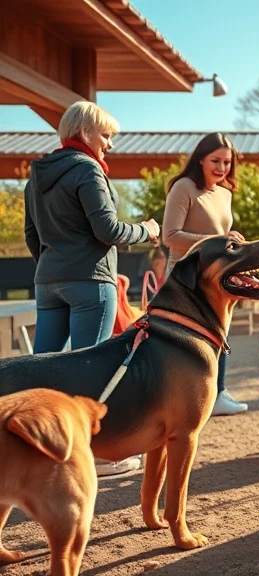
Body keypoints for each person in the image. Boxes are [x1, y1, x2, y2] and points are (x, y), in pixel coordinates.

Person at [23, 100, 161, 476]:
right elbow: (109, 231)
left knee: (42, 368)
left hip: (49, 283)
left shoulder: (37, 174)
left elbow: (31, 235)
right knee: (92, 369)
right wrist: (147, 230)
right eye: (106, 135)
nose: (110, 145)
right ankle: (96, 456)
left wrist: (53, 267)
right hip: (90, 282)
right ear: (85, 133)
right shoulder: (88, 171)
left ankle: (31, 447)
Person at [161, 132, 247, 416]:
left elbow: (220, 239)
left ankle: (218, 392)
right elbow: (170, 237)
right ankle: (180, 396)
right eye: (216, 160)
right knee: (186, 340)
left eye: (227, 162)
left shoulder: (225, 193)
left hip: (216, 277)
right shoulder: (183, 187)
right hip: (185, 277)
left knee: (219, 334)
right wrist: (219, 238)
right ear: (200, 159)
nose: (222, 168)